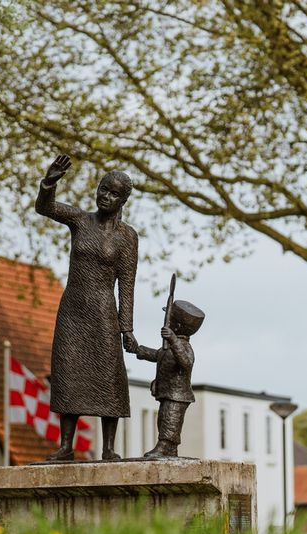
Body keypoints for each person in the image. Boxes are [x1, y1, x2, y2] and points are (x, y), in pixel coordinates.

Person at [35, 154, 138, 461]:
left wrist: (126, 328)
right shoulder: (81, 221)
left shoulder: (126, 237)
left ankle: (108, 448)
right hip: (73, 310)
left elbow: (127, 283)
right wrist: (49, 182)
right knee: (68, 372)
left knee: (109, 376)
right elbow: (46, 208)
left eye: (113, 193)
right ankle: (67, 445)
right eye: (103, 189)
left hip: (103, 311)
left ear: (122, 201)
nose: (105, 196)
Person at [133, 300, 205, 458]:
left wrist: (173, 340)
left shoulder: (184, 347)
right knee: (163, 419)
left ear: (176, 326)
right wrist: (137, 349)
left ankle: (165, 445)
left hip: (178, 395)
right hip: (167, 392)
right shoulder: (169, 348)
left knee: (170, 420)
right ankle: (170, 449)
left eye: (169, 320)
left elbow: (186, 362)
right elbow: (157, 355)